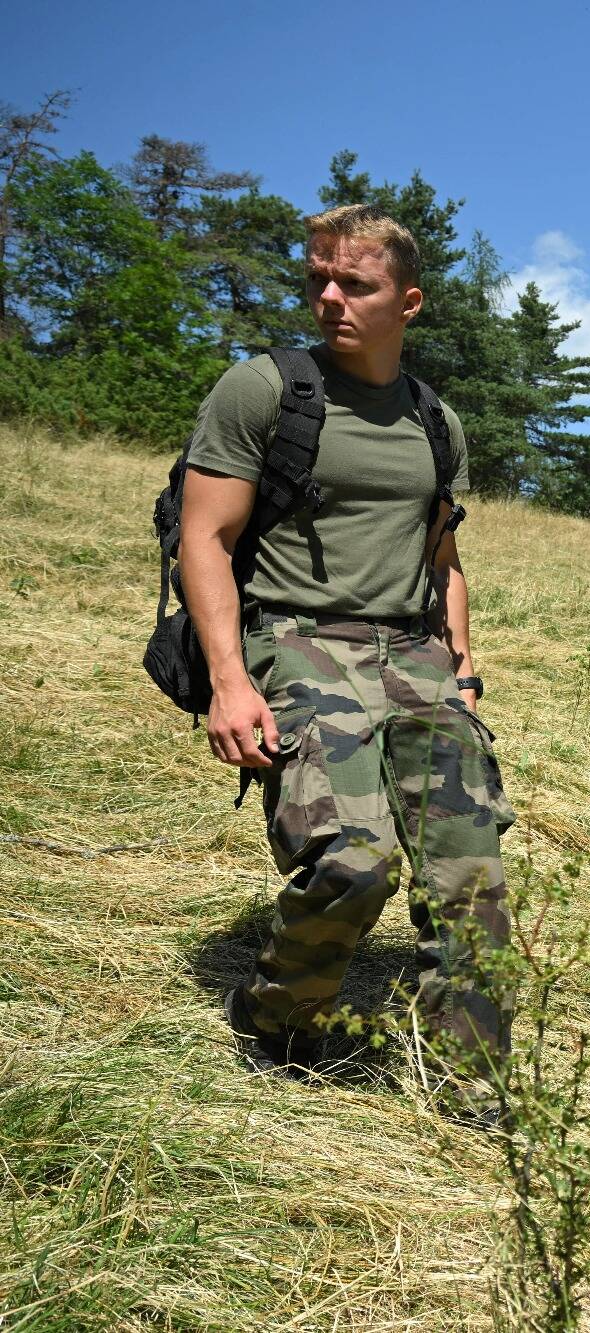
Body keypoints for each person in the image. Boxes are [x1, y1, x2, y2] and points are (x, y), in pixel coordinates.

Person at [181, 204, 513, 1107]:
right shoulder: (265, 391)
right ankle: (278, 1020)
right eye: (318, 279)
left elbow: (443, 559)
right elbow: (205, 539)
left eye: (355, 283)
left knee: (471, 873)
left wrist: (464, 670)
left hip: (413, 653)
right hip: (297, 638)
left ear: (408, 302)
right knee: (355, 859)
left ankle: (471, 1084)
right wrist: (228, 682)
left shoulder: (435, 421)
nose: (330, 298)